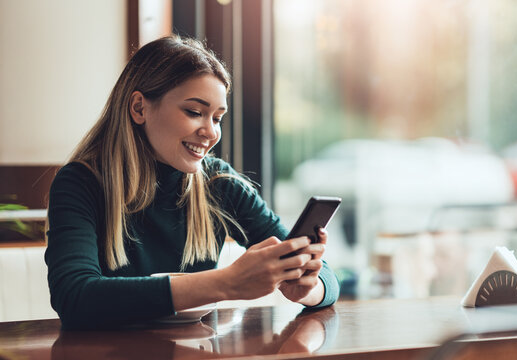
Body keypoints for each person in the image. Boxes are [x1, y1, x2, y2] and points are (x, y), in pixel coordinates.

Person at [45, 35, 339, 330]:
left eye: (218, 118)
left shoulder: (220, 183)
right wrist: (226, 283)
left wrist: (306, 288)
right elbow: (75, 297)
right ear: (139, 108)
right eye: (195, 112)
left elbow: (328, 280)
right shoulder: (81, 183)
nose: (210, 133)